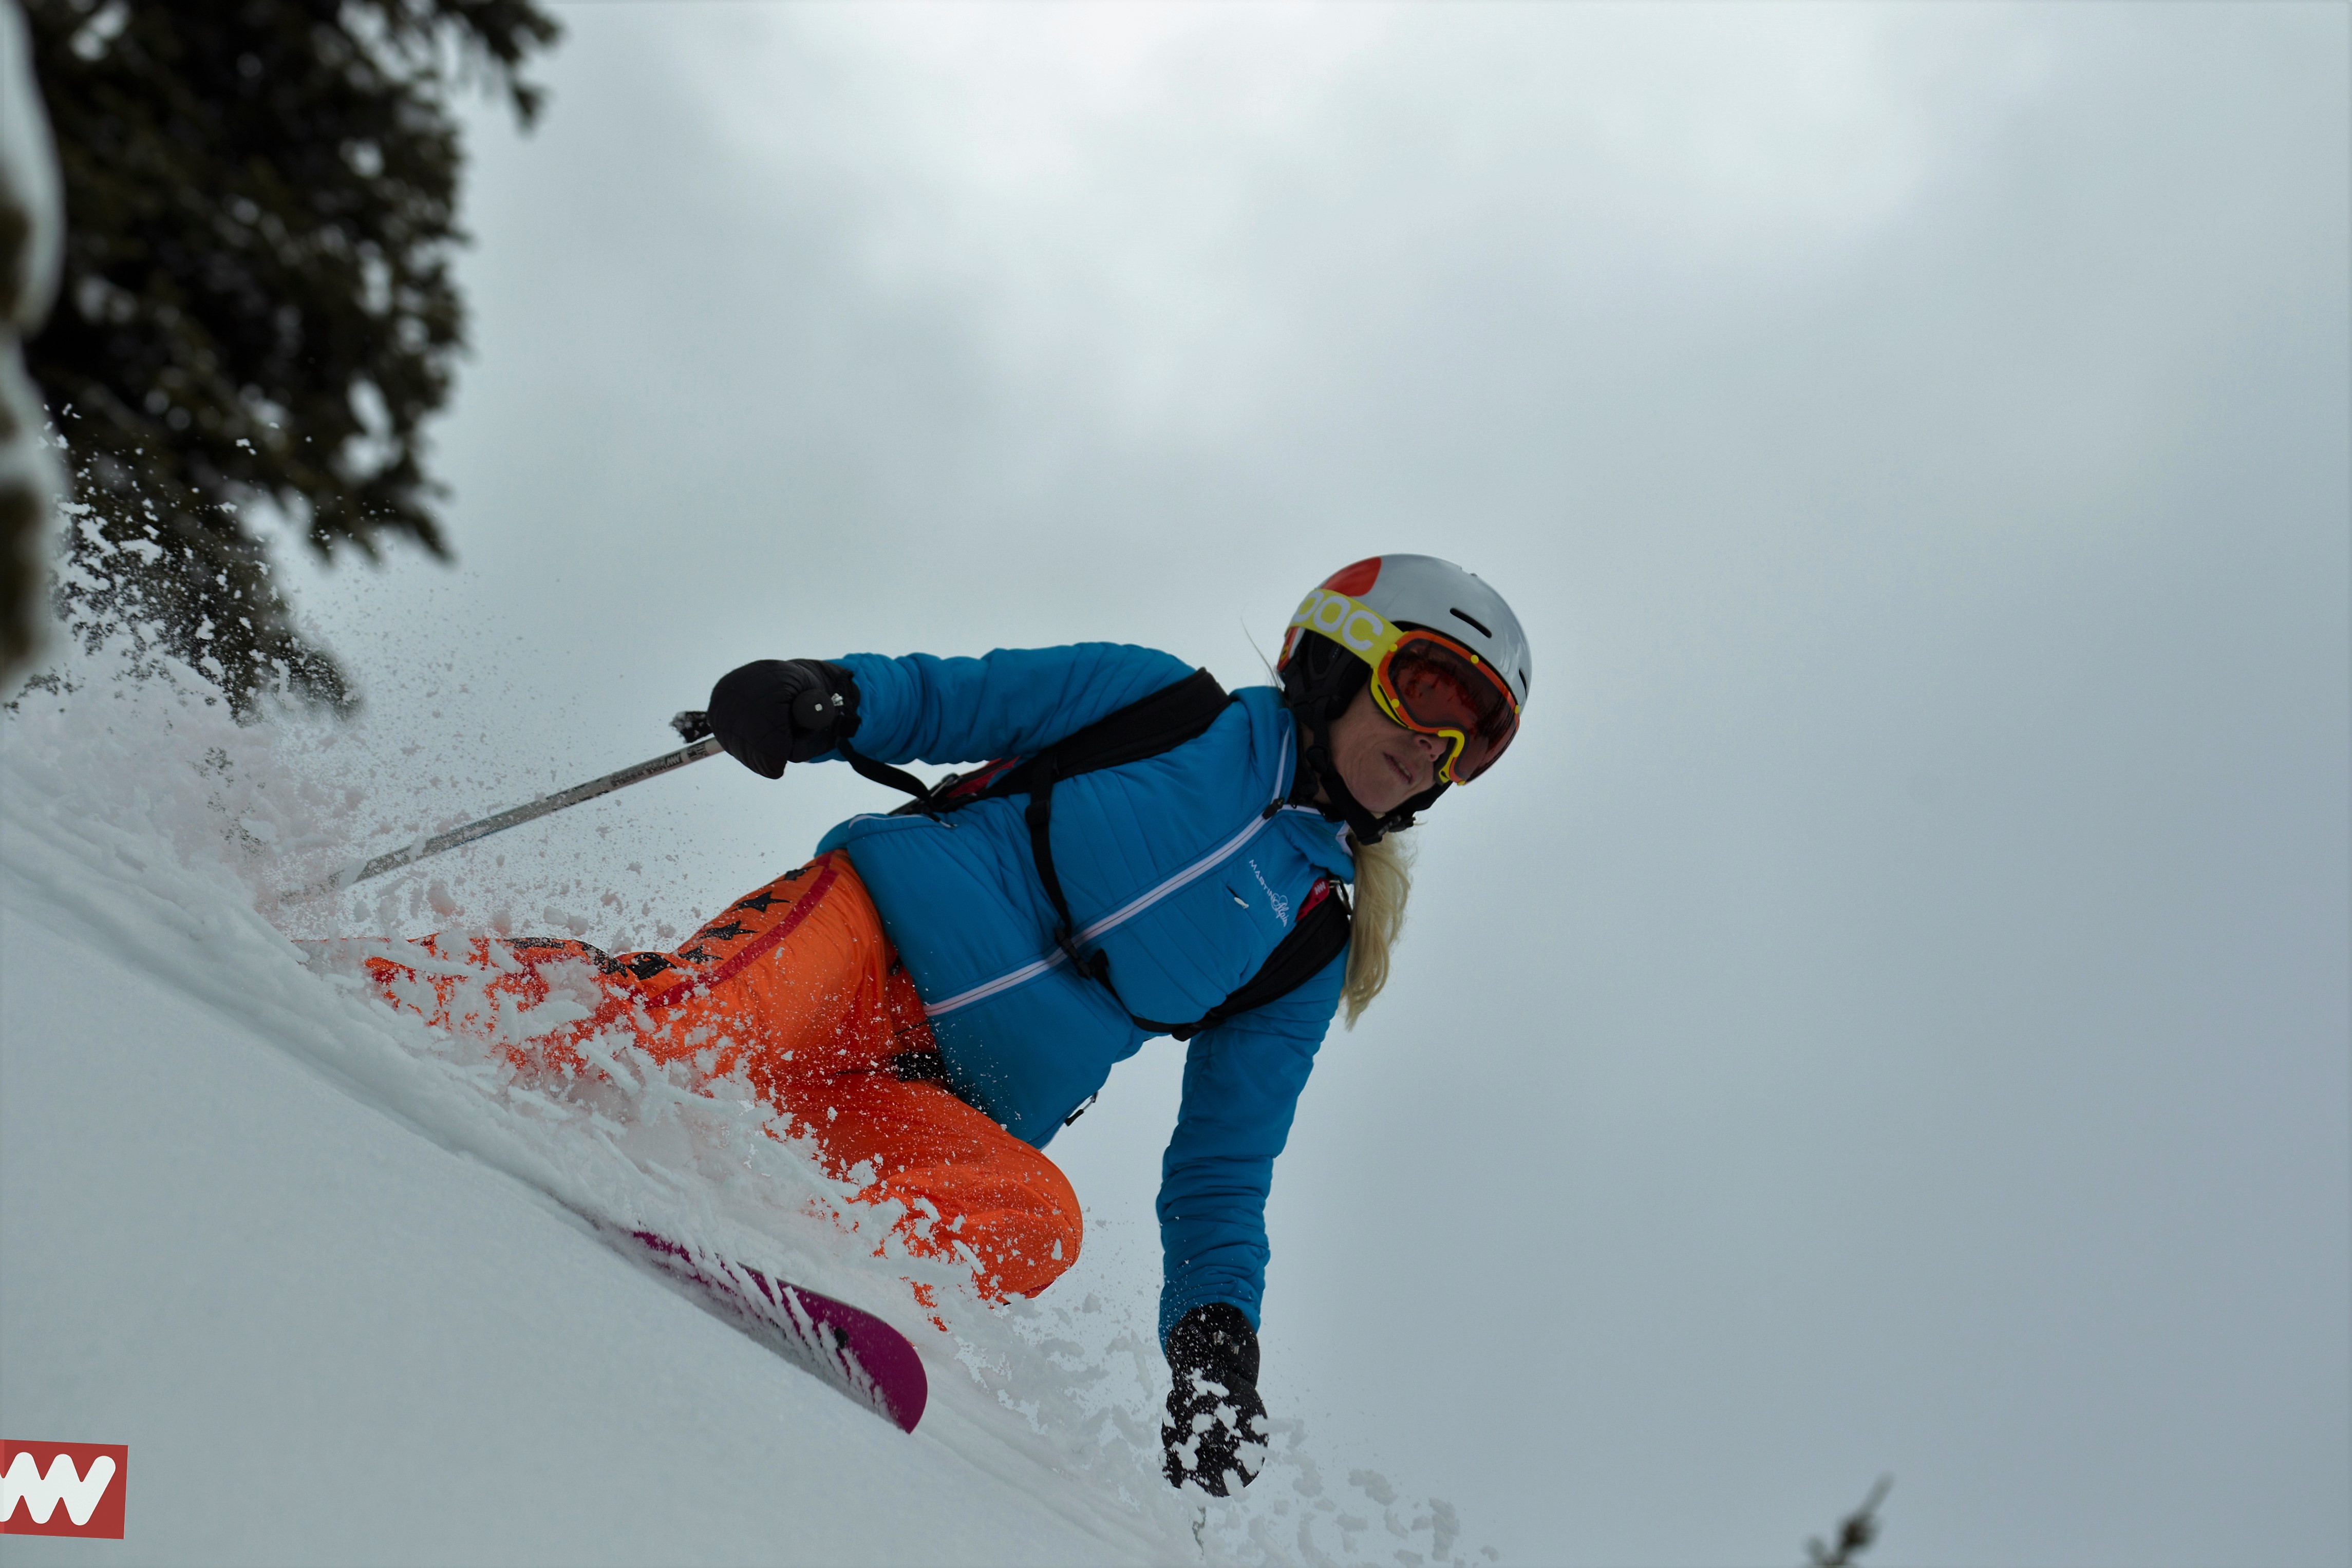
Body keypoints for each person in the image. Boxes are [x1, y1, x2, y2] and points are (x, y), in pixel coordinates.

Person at [349, 554, 1530, 1495]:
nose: (1435, 743)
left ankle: (783, 1257)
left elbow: (1224, 1165)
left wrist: (1215, 1339)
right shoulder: (1162, 704)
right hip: (861, 942)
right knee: (681, 1043)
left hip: (921, 1099)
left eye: (1474, 739)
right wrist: (829, 697)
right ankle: (394, 984)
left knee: (1035, 1222)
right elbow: (953, 698)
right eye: (1428, 691)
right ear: (1337, 655)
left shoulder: (1306, 943)